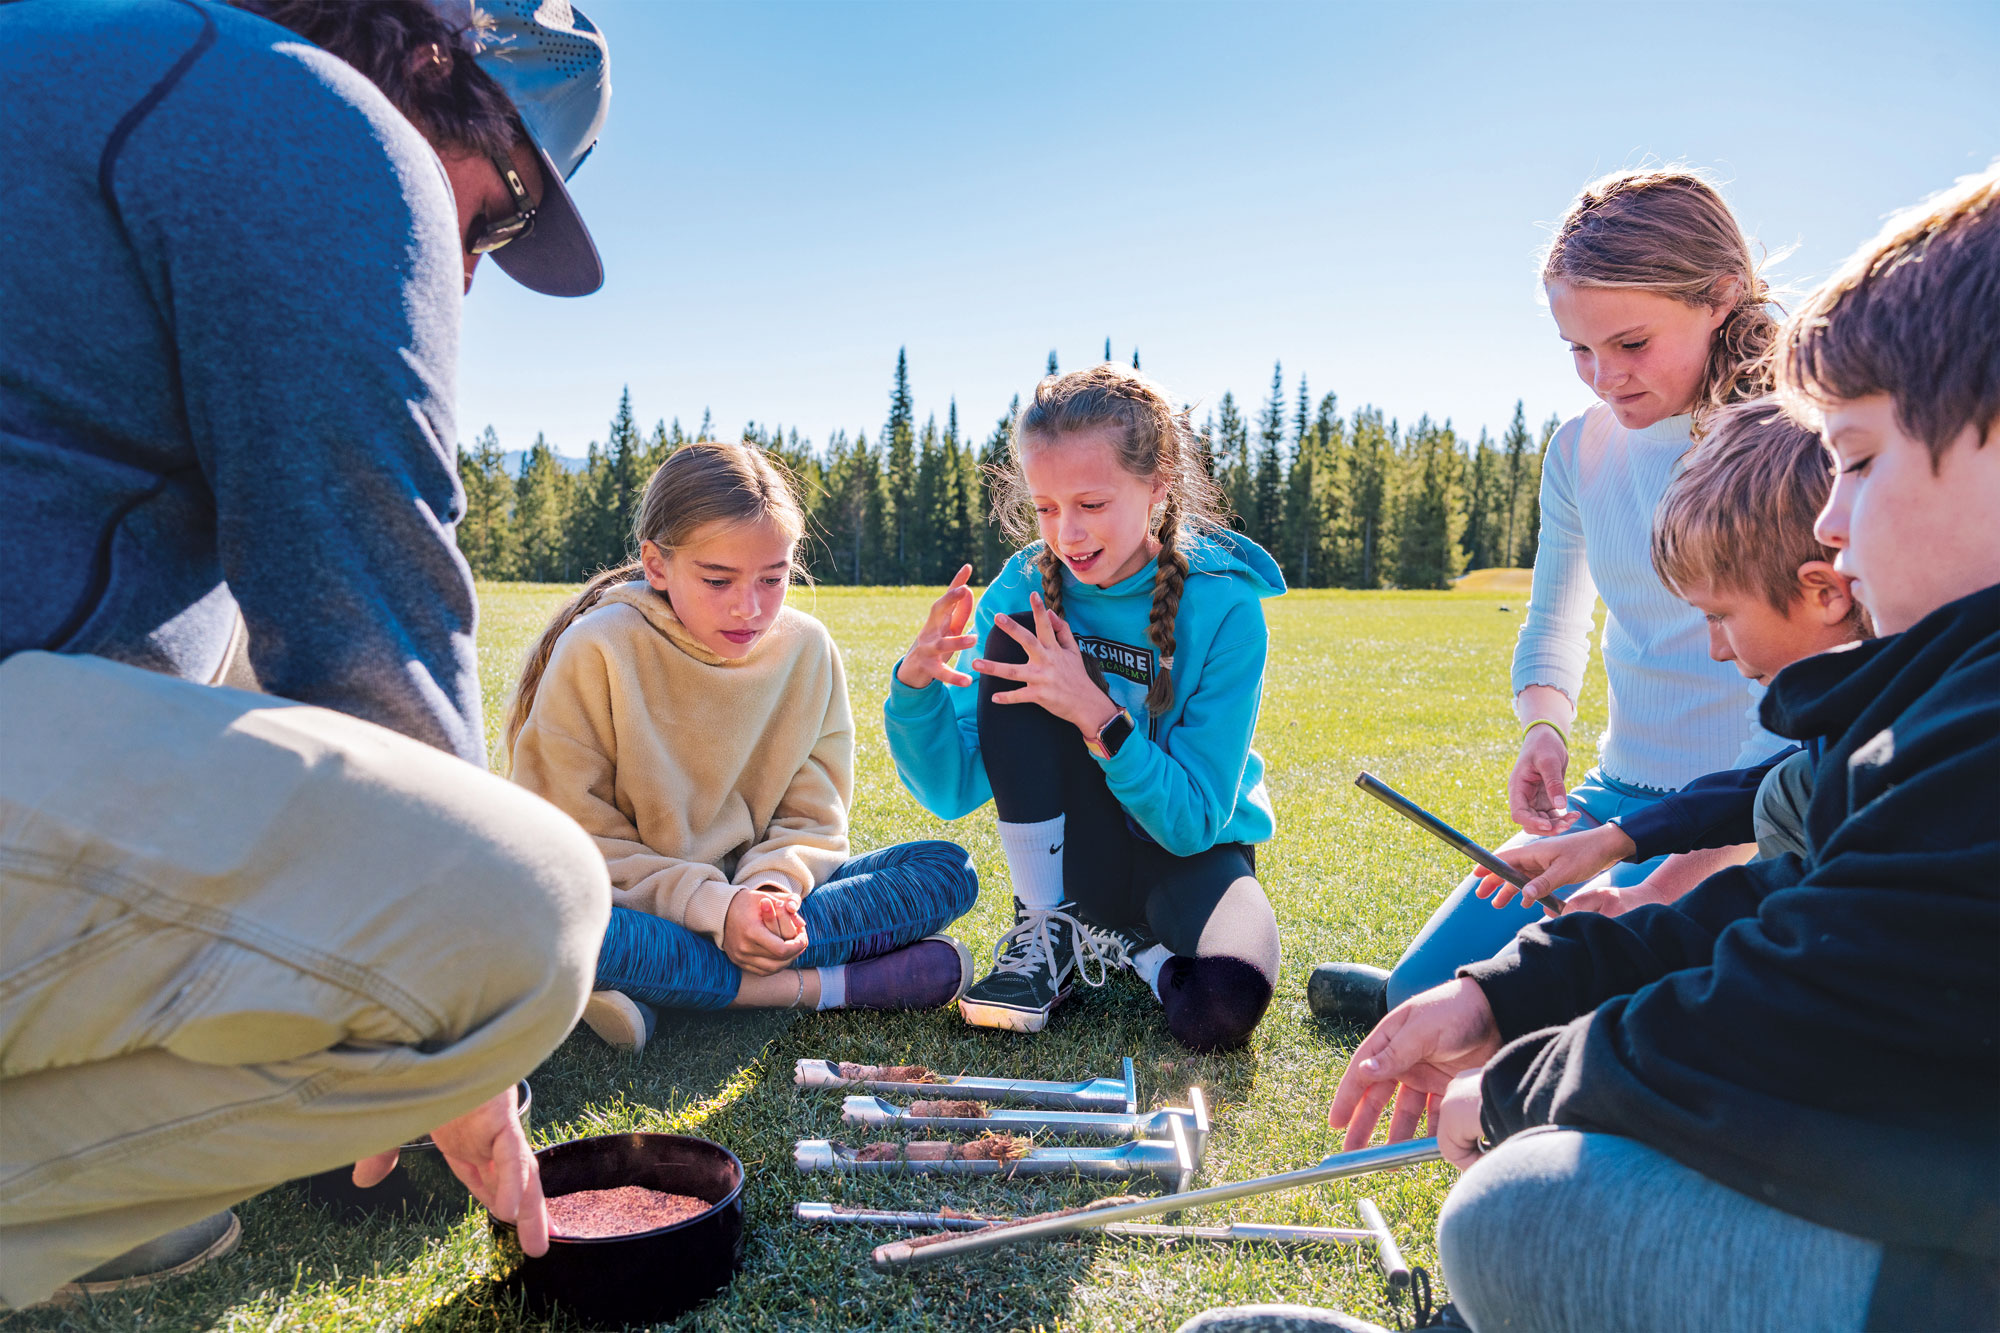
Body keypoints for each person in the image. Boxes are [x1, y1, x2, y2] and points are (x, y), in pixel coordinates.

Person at [1293, 167, 1998, 1333]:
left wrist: (1525, 1082)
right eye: (1579, 351)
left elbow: (1786, 977)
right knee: (1469, 1014)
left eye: (1859, 461)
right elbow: (1796, 906)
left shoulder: (1945, 718)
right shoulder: (1937, 701)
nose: (1830, 512)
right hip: (1639, 795)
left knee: (1516, 1214)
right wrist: (1511, 986)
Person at [0, 0, 613, 1307]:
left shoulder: (106, 60)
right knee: (526, 910)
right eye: (499, 211)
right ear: (431, 67)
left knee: (211, 639)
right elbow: (373, 625)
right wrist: (466, 1066)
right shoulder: (322, 122)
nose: (467, 271)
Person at [1310, 167, 1787, 1026]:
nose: (1604, 377)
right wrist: (1543, 728)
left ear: (1721, 297)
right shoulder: (1579, 452)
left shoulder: (1775, 449)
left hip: (1739, 820)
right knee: (1423, 994)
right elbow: (1557, 617)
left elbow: (1784, 740)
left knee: (1593, 1003)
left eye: (1632, 344)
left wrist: (1658, 891)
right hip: (1615, 794)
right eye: (1579, 350)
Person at [506, 442, 980, 1055]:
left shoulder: (808, 650)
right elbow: (567, 841)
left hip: (763, 903)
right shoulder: (598, 648)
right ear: (656, 564)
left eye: (773, 579)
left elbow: (811, 817)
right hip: (642, 906)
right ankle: (816, 988)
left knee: (946, 870)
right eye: (717, 580)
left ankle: (664, 988)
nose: (750, 607)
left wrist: (771, 897)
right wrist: (714, 909)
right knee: (544, 916)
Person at [886, 365, 1285, 1050]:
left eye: (1091, 505)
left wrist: (1100, 716)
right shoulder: (1022, 589)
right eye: (1045, 508)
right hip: (1079, 860)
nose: (1066, 534)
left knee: (1222, 1006)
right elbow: (954, 789)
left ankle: (1134, 949)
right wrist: (915, 688)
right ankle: (1049, 926)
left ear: (1157, 488)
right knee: (1021, 647)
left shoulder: (1226, 606)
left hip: (1191, 852)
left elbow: (1192, 823)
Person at [1467, 398, 1870, 915]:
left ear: (1825, 592)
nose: (1715, 649)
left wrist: (1653, 895)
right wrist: (1617, 839)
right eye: (1580, 348)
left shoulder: (1909, 737)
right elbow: (1759, 790)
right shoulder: (1823, 750)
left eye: (1719, 616)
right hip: (1626, 800)